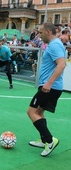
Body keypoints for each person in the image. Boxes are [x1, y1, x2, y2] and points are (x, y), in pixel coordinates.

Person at [27, 22, 66, 157]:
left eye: (41, 32)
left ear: (48, 32)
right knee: (39, 112)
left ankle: (50, 141)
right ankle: (44, 140)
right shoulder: (55, 44)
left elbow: (61, 65)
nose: (39, 34)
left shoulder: (55, 45)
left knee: (31, 112)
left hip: (50, 87)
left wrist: (48, 83)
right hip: (50, 87)